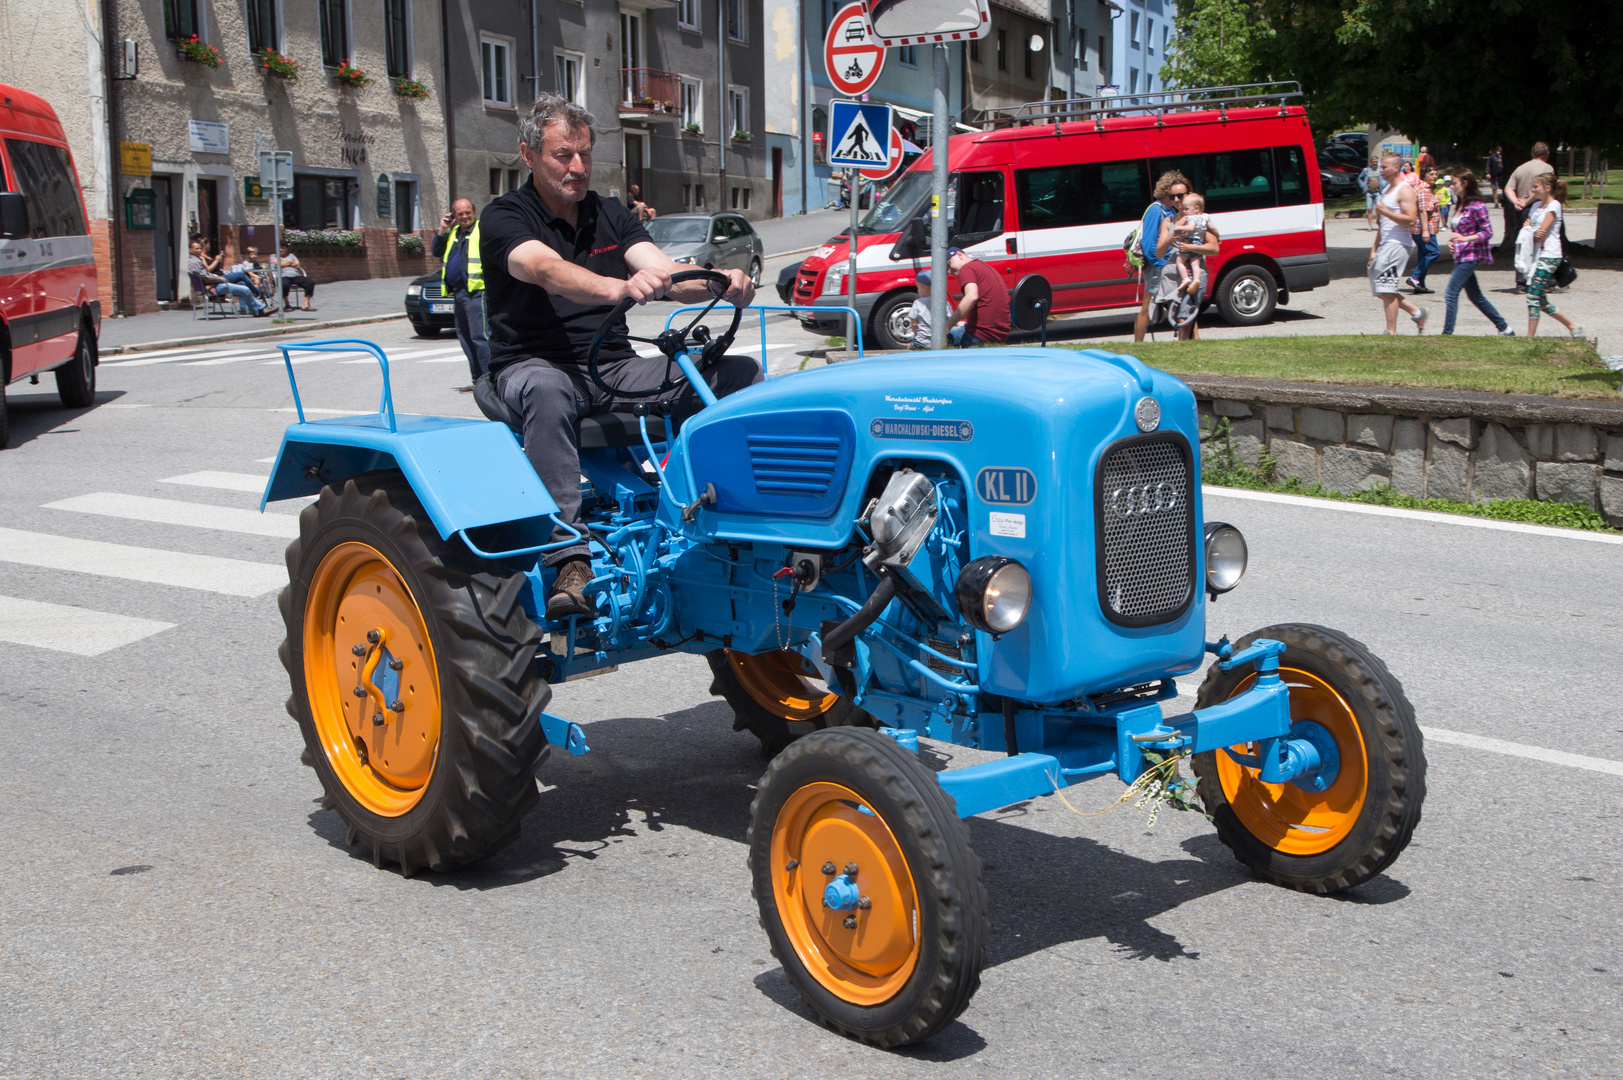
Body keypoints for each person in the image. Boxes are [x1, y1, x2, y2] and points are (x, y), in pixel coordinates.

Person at [482, 93, 761, 618]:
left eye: (585, 154)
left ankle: (721, 513)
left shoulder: (608, 213)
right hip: (531, 365)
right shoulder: (504, 217)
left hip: (611, 365)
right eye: (563, 155)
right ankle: (569, 556)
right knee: (546, 390)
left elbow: (661, 271)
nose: (578, 167)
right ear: (528, 154)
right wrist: (618, 289)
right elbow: (544, 268)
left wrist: (720, 283)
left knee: (734, 374)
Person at [1440, 170, 1512, 336]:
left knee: (1451, 292)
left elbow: (1487, 232)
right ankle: (1504, 328)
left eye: (1455, 183)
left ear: (1465, 183)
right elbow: (1458, 231)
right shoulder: (1459, 203)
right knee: (1475, 296)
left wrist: (1465, 239)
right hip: (1461, 255)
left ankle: (1447, 333)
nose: (1452, 186)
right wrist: (1453, 242)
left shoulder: (1477, 206)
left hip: (1471, 255)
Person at [432, 197, 492, 384]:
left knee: (480, 338)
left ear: (474, 212)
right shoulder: (454, 232)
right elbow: (436, 251)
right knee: (465, 338)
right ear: (454, 216)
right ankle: (477, 381)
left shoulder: (482, 230)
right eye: (460, 214)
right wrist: (442, 229)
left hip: (477, 292)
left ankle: (490, 380)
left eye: (468, 213)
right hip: (458, 293)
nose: (465, 216)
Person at [1368, 153, 1427, 334]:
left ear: (1396, 168)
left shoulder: (1404, 190)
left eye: (1384, 167)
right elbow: (1382, 225)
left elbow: (1410, 219)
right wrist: (1373, 250)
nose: (1381, 170)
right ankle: (1417, 312)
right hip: (1385, 244)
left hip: (1398, 244)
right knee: (1380, 288)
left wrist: (1385, 212)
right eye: (1380, 167)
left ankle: (1390, 331)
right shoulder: (1386, 190)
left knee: (1386, 286)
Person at [1520, 173, 1583, 339]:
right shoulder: (1535, 207)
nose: (1533, 189)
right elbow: (1528, 228)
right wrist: (1531, 230)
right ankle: (1573, 326)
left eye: (1536, 186)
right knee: (1540, 300)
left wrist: (1531, 230)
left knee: (1532, 295)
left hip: (1549, 255)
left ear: (1547, 188)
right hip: (1535, 255)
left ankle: (1529, 338)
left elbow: (1540, 232)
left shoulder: (1554, 206)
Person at [1132, 170, 1189, 342]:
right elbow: (1149, 246)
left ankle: (1192, 342)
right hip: (1158, 266)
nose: (1178, 198)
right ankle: (1138, 345)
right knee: (1147, 307)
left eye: (1181, 195)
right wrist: (1163, 263)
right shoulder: (1156, 211)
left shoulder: (1170, 210)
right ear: (1166, 192)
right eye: (1174, 195)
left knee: (1185, 304)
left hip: (1170, 264)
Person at [1502, 142, 1551, 289]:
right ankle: (1543, 279)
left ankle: (1521, 280)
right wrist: (1527, 201)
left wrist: (1516, 202)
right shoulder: (1547, 168)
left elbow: (1508, 188)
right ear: (1547, 154)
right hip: (1537, 208)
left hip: (1520, 210)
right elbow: (1542, 190)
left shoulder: (1520, 168)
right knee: (1540, 243)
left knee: (1524, 243)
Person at [943, 247, 1010, 347]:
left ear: (960, 255)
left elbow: (971, 297)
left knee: (936, 337)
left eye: (948, 264)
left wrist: (948, 325)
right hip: (1000, 334)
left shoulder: (966, 268)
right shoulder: (984, 267)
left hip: (979, 336)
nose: (948, 271)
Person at [187, 239, 265, 316]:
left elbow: (206, 275)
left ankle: (254, 309)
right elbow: (206, 279)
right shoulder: (195, 262)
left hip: (215, 282)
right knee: (243, 280)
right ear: (190, 250)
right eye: (197, 248)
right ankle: (259, 298)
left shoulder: (197, 259)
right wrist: (220, 279)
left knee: (242, 284)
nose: (199, 250)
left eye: (200, 248)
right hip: (213, 286)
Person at [1406, 165, 1441, 294]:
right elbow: (1423, 211)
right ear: (1424, 175)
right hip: (1424, 229)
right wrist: (1425, 231)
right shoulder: (1424, 189)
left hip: (1420, 229)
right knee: (1433, 253)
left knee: (1423, 255)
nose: (1434, 176)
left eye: (1436, 174)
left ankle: (1420, 284)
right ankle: (1415, 277)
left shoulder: (1424, 188)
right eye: (1431, 174)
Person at [1171, 193, 1210, 296]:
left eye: (1186, 209)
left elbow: (1190, 228)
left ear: (1196, 208)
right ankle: (1196, 280)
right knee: (1195, 264)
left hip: (1190, 241)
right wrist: (1218, 236)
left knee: (1180, 261)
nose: (1185, 211)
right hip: (1199, 242)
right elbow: (1213, 228)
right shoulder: (1205, 217)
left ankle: (1185, 279)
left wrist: (1179, 228)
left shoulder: (1191, 218)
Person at [273, 243, 317, 311]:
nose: (280, 249)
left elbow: (298, 265)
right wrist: (290, 262)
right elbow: (277, 264)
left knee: (310, 283)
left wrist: (283, 264)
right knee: (284, 285)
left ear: (286, 249)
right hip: (282, 276)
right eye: (279, 248)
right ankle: (287, 304)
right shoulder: (274, 256)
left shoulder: (291, 255)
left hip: (295, 276)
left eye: (282, 248)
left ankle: (305, 304)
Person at [907, 269, 933, 350]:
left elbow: (914, 324)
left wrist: (916, 335)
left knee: (909, 346)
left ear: (925, 288)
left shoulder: (918, 303)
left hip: (921, 341)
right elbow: (949, 321)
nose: (917, 291)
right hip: (940, 341)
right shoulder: (944, 302)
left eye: (918, 288)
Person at [1359, 156, 1383, 230]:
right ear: (1370, 162)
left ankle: (1378, 220)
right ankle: (1370, 225)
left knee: (1379, 208)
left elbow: (1385, 178)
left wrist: (1384, 185)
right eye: (1373, 162)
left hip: (1378, 192)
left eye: (1376, 162)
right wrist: (1363, 185)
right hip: (1369, 192)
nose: (1375, 163)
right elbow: (1360, 178)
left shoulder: (1380, 170)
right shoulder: (1366, 170)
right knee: (1369, 209)